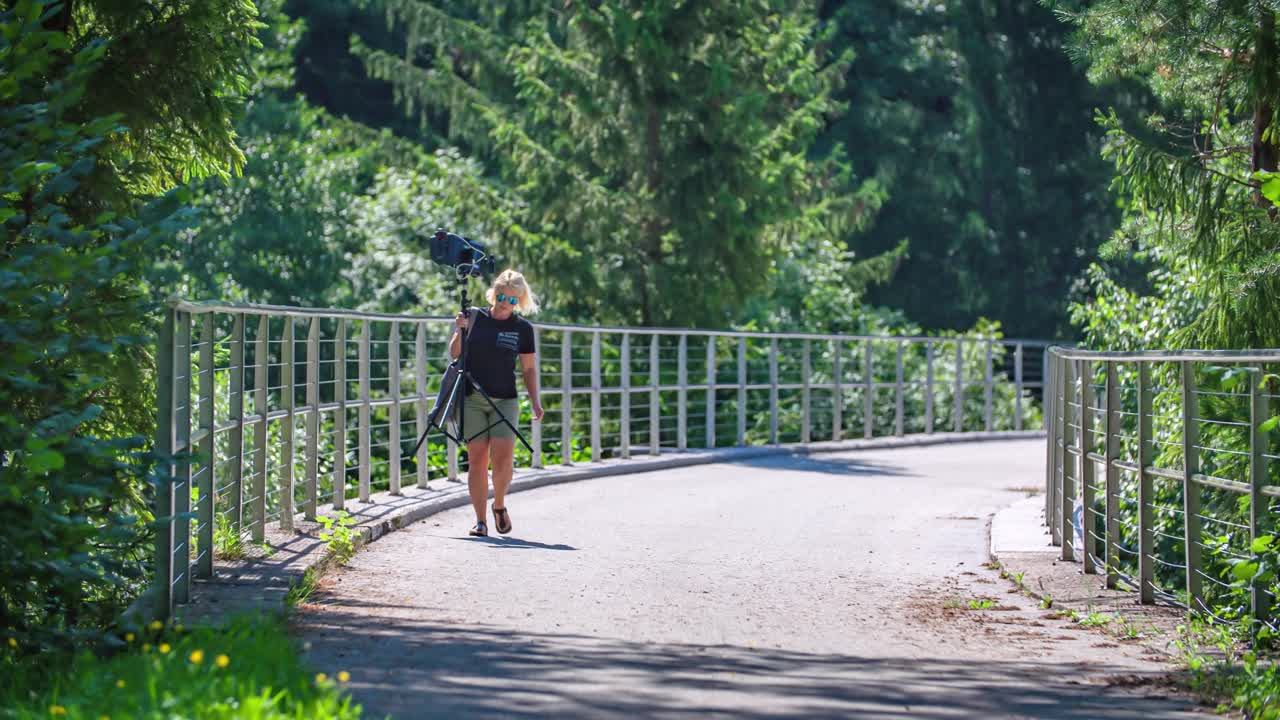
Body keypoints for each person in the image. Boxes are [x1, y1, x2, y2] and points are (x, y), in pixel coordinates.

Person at [449, 269, 544, 537]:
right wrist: (460, 330)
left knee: (503, 463)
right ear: (494, 292)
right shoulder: (475, 318)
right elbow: (454, 354)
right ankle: (480, 522)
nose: (505, 303)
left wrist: (535, 401)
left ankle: (499, 505)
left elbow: (528, 370)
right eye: (502, 296)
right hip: (473, 398)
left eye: (513, 300)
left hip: (506, 400)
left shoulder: (523, 329)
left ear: (520, 302)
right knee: (477, 461)